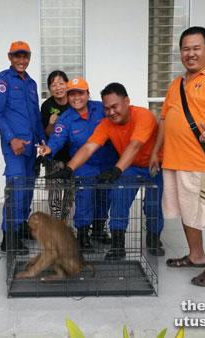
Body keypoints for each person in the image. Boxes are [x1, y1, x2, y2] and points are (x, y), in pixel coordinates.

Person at [149, 26, 205, 287]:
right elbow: (165, 119)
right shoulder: (176, 84)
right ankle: (197, 256)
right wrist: (156, 151)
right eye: (186, 49)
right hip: (175, 163)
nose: (190, 53)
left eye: (196, 48)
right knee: (188, 212)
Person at [47, 82, 164, 260]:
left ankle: (154, 238)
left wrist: (117, 169)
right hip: (129, 167)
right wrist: (69, 168)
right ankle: (118, 246)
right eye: (107, 108)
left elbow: (135, 145)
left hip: (153, 166)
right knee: (119, 199)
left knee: (152, 205)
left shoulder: (143, 116)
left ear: (127, 101)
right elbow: (88, 147)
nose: (111, 112)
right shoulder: (106, 124)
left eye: (115, 106)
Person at [38, 77, 118, 249]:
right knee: (85, 198)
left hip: (107, 162)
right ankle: (82, 234)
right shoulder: (65, 119)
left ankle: (98, 230)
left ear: (87, 94)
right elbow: (56, 139)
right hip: (84, 165)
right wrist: (48, 149)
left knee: (104, 197)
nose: (76, 98)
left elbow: (118, 121)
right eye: (72, 94)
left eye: (80, 93)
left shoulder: (101, 109)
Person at [0, 41, 46, 255]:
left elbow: (36, 117)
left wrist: (42, 141)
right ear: (10, 57)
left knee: (27, 189)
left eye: (25, 56)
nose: (21, 60)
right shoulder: (1, 81)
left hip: (31, 146)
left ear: (29, 58)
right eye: (17, 56)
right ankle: (9, 237)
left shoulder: (31, 83)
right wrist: (11, 138)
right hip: (15, 147)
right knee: (15, 189)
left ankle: (21, 225)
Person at [39, 70, 75, 221]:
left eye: (61, 83)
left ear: (67, 84)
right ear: (49, 88)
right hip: (55, 155)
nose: (58, 87)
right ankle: (56, 221)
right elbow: (47, 133)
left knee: (71, 190)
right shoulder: (47, 106)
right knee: (55, 190)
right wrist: (51, 123)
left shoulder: (75, 101)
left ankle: (64, 220)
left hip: (73, 155)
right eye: (53, 85)